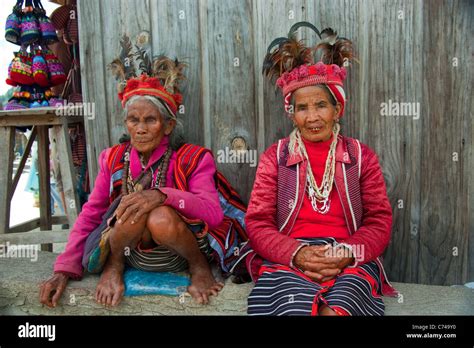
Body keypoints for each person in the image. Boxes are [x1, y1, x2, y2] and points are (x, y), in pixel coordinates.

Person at [39, 55, 227, 308]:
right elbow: (91, 214)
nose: (140, 129)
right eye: (133, 120)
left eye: (150, 120)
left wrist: (162, 195)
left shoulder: (193, 158)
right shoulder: (113, 158)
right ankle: (114, 265)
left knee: (158, 214)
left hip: (178, 252)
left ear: (168, 125)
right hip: (131, 253)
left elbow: (213, 214)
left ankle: (199, 265)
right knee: (130, 207)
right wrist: (64, 269)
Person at [245, 23, 397, 316]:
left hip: (350, 258)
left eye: (321, 106)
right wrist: (296, 253)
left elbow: (379, 221)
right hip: (288, 258)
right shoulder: (275, 157)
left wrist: (347, 252)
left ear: (337, 109)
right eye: (302, 108)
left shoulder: (360, 157)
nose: (312, 117)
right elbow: (258, 223)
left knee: (336, 310)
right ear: (292, 113)